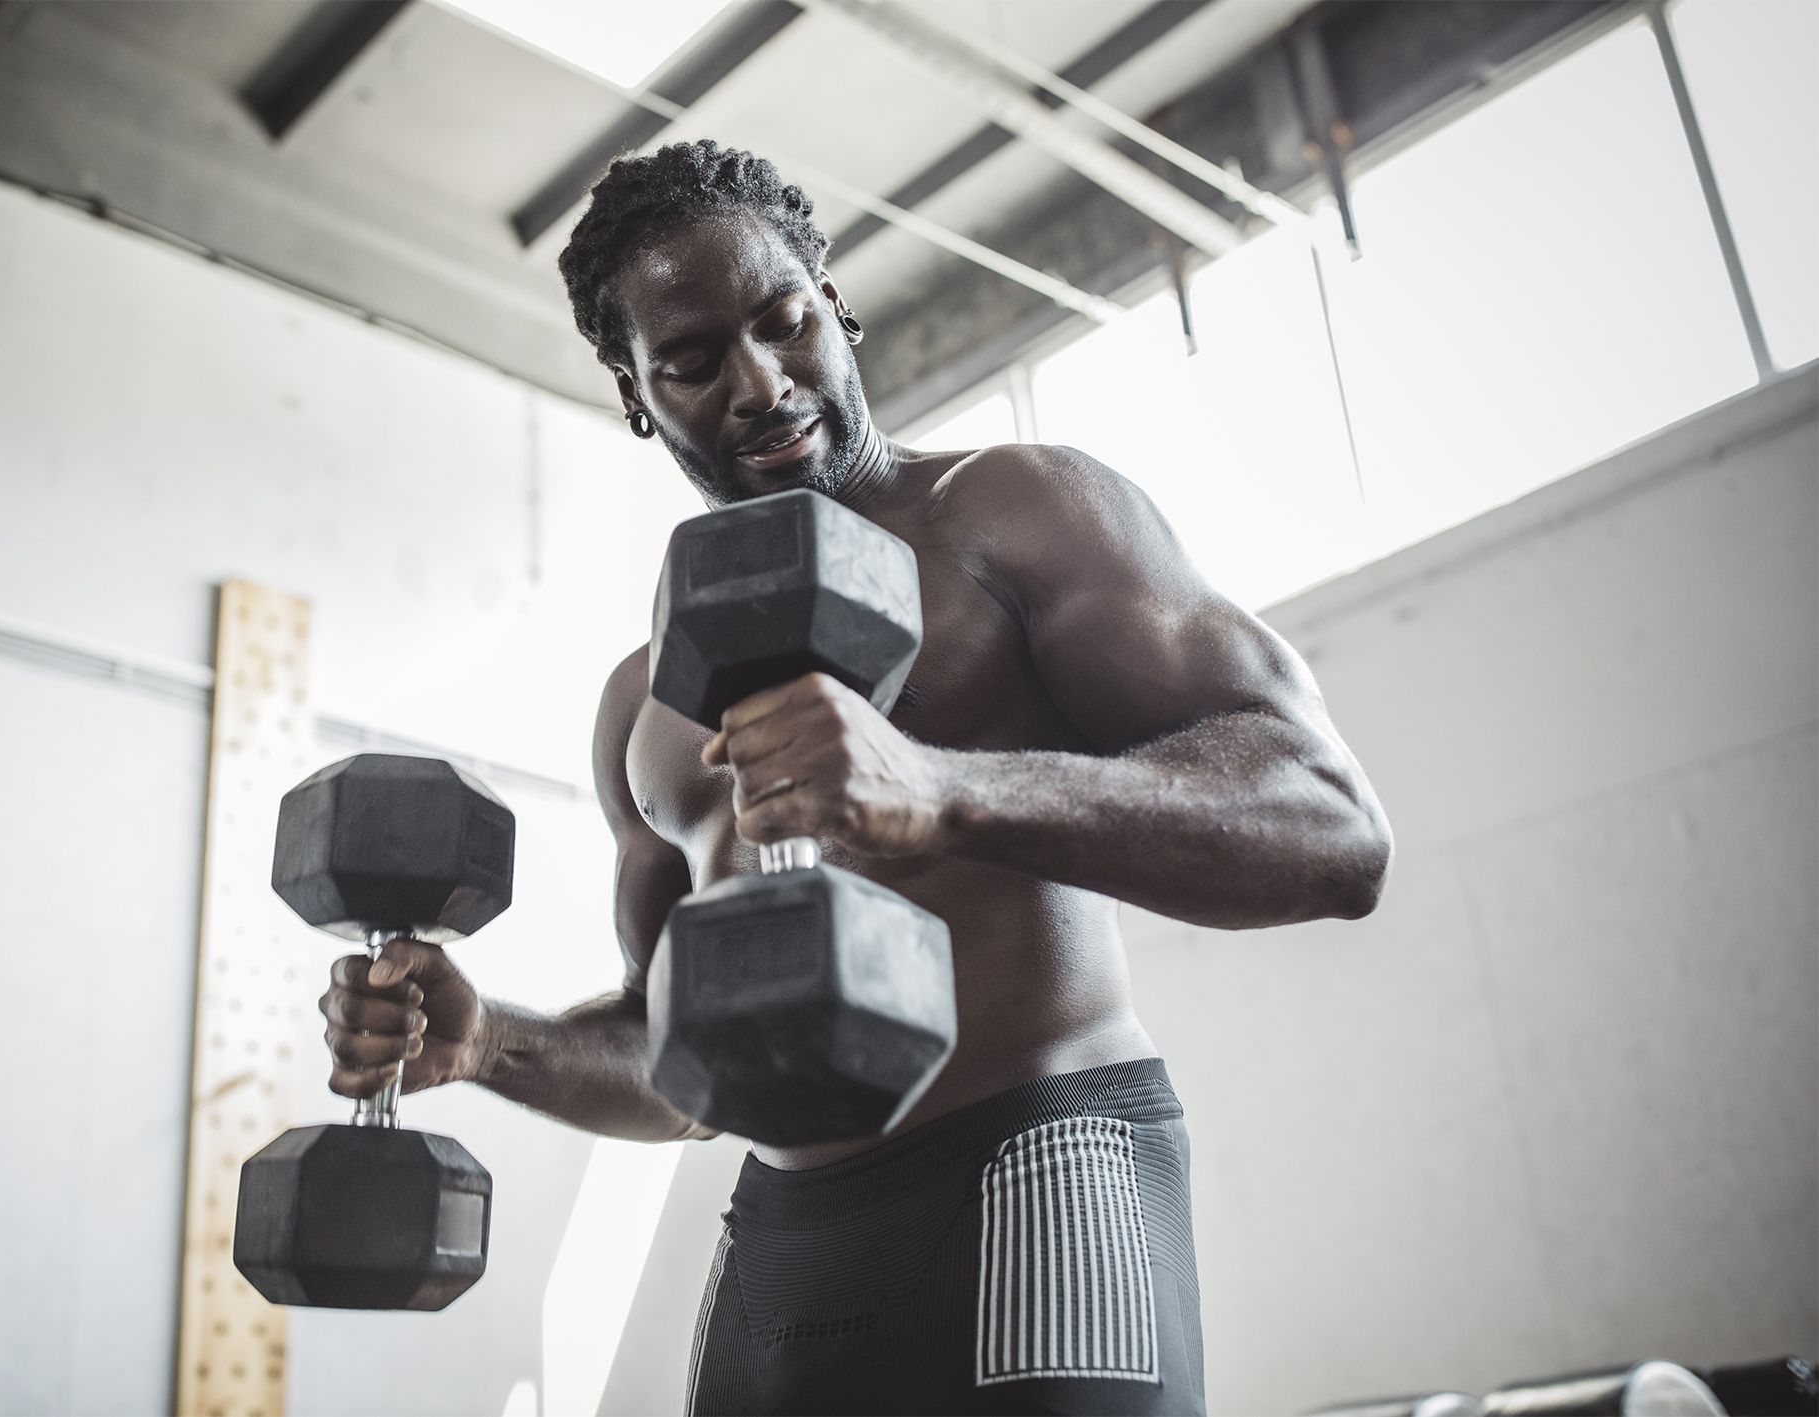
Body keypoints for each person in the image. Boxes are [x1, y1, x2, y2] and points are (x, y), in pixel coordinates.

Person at [319, 140, 1392, 1415]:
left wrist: (942, 788)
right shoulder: (639, 707)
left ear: (837, 306)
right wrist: (494, 1039)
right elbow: (682, 1071)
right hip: (787, 1235)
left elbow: (1329, 828)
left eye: (783, 323)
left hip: (1041, 1159)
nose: (762, 384)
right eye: (693, 361)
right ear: (634, 393)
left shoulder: (1018, 511)